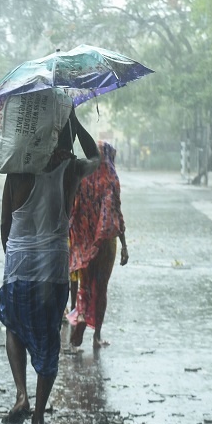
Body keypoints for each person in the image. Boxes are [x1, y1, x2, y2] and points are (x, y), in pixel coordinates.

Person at [0, 107, 100, 424]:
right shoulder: (71, 167)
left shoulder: (17, 169)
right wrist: (74, 119)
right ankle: (38, 420)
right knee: (47, 341)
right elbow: (97, 158)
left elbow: (5, 224)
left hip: (18, 263)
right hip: (53, 266)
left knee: (14, 325)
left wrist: (12, 259)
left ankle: (20, 394)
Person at [67, 141, 128, 349]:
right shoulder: (110, 177)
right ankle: (97, 336)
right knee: (101, 289)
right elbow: (114, 213)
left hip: (84, 243)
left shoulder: (83, 178)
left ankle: (82, 316)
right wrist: (124, 245)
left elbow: (72, 209)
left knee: (84, 287)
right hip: (105, 244)